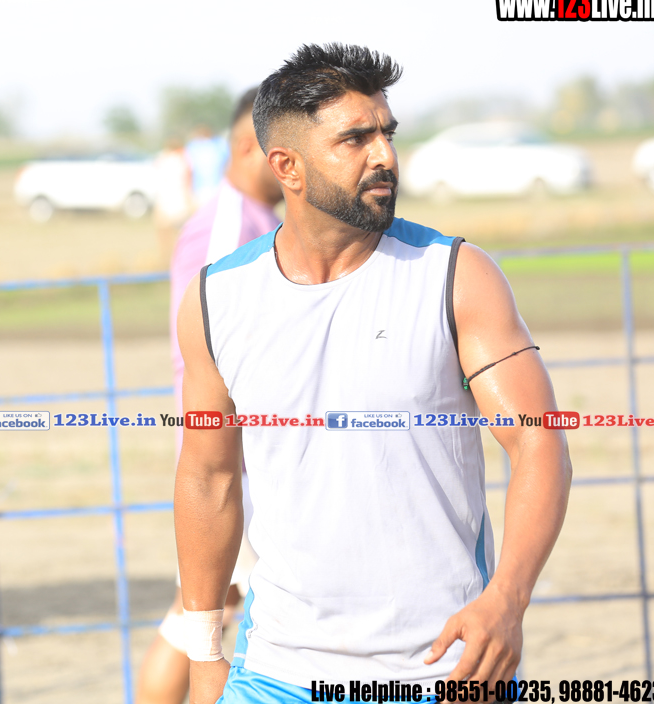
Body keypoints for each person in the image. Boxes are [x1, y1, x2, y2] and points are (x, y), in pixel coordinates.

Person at [174, 43, 572, 703]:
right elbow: (207, 476)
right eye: (355, 139)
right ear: (287, 167)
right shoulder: (217, 298)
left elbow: (538, 439)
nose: (384, 154)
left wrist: (508, 599)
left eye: (387, 133)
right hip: (274, 675)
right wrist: (204, 651)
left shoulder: (456, 276)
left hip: (444, 673)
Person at [137, 86, 284, 704]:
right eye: (285, 151)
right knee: (203, 619)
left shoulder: (258, 219)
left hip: (246, 459)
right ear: (250, 147)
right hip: (234, 460)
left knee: (205, 614)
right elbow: (225, 350)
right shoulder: (228, 228)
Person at [152, 137, 193, 266]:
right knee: (182, 233)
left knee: (164, 232)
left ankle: (166, 257)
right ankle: (181, 257)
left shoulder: (161, 158)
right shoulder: (182, 160)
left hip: (164, 200)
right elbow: (188, 179)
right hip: (179, 199)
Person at [184, 125, 230, 208]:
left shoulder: (193, 147)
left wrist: (188, 191)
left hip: (200, 190)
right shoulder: (219, 144)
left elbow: (188, 171)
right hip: (218, 188)